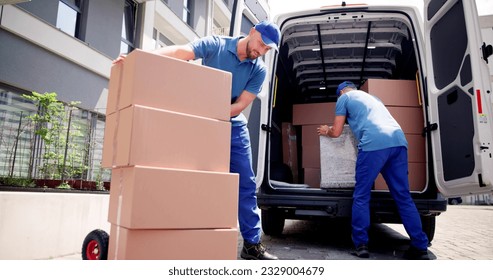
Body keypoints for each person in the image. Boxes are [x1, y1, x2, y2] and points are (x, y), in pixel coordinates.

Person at [113, 21, 280, 260]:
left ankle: (252, 245)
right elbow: (181, 52)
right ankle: (183, 234)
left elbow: (239, 107)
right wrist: (139, 58)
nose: (261, 51)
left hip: (232, 125)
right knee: (193, 177)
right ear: (252, 32)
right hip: (202, 121)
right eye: (261, 45)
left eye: (266, 50)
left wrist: (208, 108)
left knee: (246, 183)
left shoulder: (259, 70)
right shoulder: (216, 45)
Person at [317, 81, 430, 260]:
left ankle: (361, 245)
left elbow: (337, 132)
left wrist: (326, 130)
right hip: (398, 141)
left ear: (340, 93)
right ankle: (420, 246)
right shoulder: (373, 98)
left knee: (361, 195)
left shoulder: (344, 99)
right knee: (403, 197)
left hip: (373, 144)